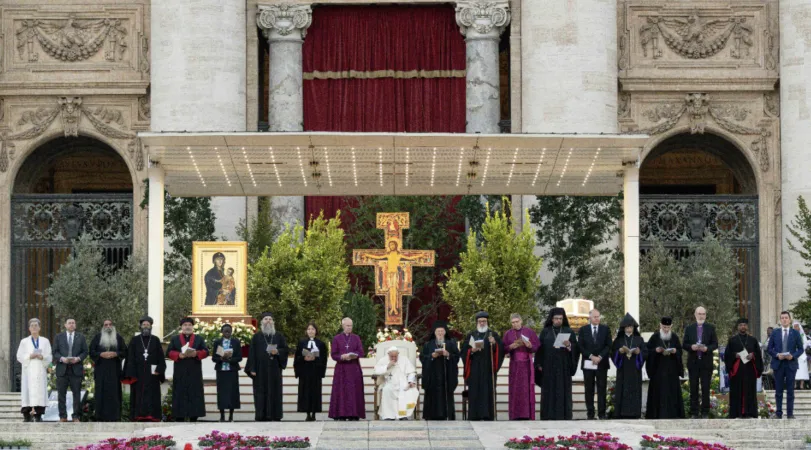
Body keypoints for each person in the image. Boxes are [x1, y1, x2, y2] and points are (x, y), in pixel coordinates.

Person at [536, 307, 579, 420]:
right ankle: (547, 416)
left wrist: (569, 345)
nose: (558, 321)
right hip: (548, 367)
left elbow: (575, 349)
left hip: (563, 368)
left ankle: (564, 415)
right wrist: (539, 364)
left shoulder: (569, 331)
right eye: (556, 318)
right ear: (552, 319)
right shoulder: (545, 332)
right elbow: (539, 350)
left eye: (560, 318)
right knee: (549, 393)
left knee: (563, 392)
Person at [460, 311, 504, 421]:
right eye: (480, 321)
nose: (482, 323)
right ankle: (474, 415)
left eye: (484, 321)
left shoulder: (492, 335)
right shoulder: (471, 334)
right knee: (475, 391)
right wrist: (472, 350)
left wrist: (494, 344)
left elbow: (500, 351)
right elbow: (464, 351)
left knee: (487, 391)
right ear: (477, 322)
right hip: (474, 368)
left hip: (488, 368)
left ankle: (487, 415)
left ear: (487, 322)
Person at [246, 312, 289, 421]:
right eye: (266, 319)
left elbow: (285, 350)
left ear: (273, 322)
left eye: (270, 319)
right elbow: (252, 354)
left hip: (274, 370)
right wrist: (252, 368)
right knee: (261, 393)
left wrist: (278, 351)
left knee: (275, 392)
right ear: (262, 322)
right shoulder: (256, 337)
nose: (268, 321)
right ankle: (261, 415)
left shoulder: (279, 336)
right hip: (260, 371)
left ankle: (275, 415)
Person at [123, 316, 166, 422]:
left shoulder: (155, 340)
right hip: (138, 374)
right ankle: (137, 416)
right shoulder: (134, 340)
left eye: (148, 324)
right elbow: (130, 358)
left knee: (152, 395)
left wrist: (159, 369)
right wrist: (131, 373)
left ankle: (153, 416)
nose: (145, 326)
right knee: (137, 394)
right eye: (144, 325)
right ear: (140, 326)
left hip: (152, 374)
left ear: (151, 326)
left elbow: (161, 357)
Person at [167, 317, 209, 421]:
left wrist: (196, 353)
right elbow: (168, 352)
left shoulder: (199, 339)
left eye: (189, 325)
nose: (187, 327)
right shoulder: (175, 339)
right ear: (181, 327)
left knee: (194, 394)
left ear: (192, 327)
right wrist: (179, 355)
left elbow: (206, 351)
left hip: (194, 372)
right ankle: (179, 417)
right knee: (180, 394)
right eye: (185, 325)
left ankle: (194, 417)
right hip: (180, 372)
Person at [682, 306, 718, 418]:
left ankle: (705, 412)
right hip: (693, 363)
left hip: (706, 363)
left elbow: (715, 344)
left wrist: (707, 348)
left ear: (706, 315)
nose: (701, 316)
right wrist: (691, 347)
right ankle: (694, 412)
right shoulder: (689, 328)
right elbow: (684, 344)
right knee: (693, 388)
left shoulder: (710, 328)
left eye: (703, 314)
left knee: (706, 388)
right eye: (699, 314)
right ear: (695, 315)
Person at [502, 313, 540, 420]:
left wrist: (530, 346)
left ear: (521, 321)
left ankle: (527, 414)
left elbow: (537, 346)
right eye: (513, 322)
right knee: (515, 390)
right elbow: (503, 348)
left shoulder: (529, 332)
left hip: (527, 365)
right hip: (514, 365)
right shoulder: (508, 333)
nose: (515, 324)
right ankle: (515, 414)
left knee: (526, 390)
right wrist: (511, 346)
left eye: (517, 322)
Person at [645, 316, 685, 419]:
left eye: (668, 327)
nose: (666, 330)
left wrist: (676, 351)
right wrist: (655, 351)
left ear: (671, 326)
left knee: (671, 393)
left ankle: (673, 415)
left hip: (671, 372)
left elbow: (680, 351)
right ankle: (656, 415)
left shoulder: (675, 337)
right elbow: (647, 351)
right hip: (658, 372)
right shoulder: (655, 337)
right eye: (664, 327)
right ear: (660, 325)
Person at [724, 318, 764, 418]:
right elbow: (727, 355)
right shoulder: (732, 340)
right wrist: (735, 355)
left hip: (749, 371)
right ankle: (736, 413)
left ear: (747, 327)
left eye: (745, 325)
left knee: (750, 392)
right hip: (737, 372)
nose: (743, 327)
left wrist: (753, 355)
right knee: (736, 392)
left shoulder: (753, 340)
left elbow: (758, 354)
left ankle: (750, 413)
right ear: (738, 327)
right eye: (741, 325)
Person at [768, 311, 805, 419]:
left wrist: (793, 356)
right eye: (782, 318)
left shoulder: (795, 333)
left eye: (786, 318)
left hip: (790, 364)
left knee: (790, 391)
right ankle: (778, 413)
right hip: (778, 364)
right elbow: (769, 349)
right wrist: (776, 355)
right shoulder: (775, 332)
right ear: (780, 320)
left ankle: (790, 414)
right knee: (778, 391)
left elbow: (801, 349)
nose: (784, 319)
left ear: (789, 320)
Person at [89, 319, 127, 422]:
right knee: (101, 392)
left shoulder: (118, 337)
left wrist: (116, 354)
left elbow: (124, 351)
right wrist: (101, 354)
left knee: (114, 393)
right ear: (103, 326)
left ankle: (115, 416)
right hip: (101, 370)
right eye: (106, 325)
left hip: (115, 371)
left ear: (113, 326)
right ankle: (100, 416)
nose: (108, 326)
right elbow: (91, 351)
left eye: (110, 324)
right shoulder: (97, 337)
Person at [577, 308, 612, 420]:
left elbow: (608, 345)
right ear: (590, 318)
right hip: (588, 363)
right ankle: (590, 414)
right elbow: (580, 346)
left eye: (598, 316)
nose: (597, 319)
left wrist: (600, 357)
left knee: (602, 389)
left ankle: (601, 414)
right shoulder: (583, 330)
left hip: (602, 364)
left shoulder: (605, 329)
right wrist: (591, 356)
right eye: (595, 317)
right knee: (589, 389)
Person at [420, 320, 459, 420]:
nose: (440, 333)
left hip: (446, 375)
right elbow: (422, 358)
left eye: (442, 331)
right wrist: (431, 356)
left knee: (446, 394)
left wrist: (448, 355)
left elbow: (457, 357)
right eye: (438, 331)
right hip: (432, 376)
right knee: (432, 395)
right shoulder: (428, 344)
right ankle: (431, 415)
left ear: (445, 332)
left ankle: (447, 415)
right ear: (434, 332)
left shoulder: (451, 343)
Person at [329, 317, 366, 420]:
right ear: (343, 326)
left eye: (351, 326)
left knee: (353, 391)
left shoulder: (356, 338)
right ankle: (341, 414)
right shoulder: (337, 338)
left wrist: (353, 355)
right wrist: (342, 357)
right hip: (341, 369)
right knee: (341, 391)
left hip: (354, 369)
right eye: (347, 326)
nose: (349, 328)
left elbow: (361, 352)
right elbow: (333, 354)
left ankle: (354, 414)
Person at [611, 313, 646, 419]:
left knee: (635, 391)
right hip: (623, 370)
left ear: (633, 327)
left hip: (635, 371)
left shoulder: (639, 340)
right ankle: (621, 413)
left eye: (630, 326)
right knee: (622, 390)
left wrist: (639, 352)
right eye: (627, 327)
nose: (629, 328)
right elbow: (612, 353)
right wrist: (619, 352)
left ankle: (635, 413)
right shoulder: (619, 340)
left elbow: (645, 353)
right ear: (623, 328)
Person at [53, 318, 88, 422]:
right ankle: (63, 416)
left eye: (73, 323)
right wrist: (61, 358)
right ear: (65, 325)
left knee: (76, 394)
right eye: (69, 323)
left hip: (76, 369)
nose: (71, 325)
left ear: (75, 325)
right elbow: (54, 352)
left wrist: (78, 358)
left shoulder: (81, 337)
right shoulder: (58, 337)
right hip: (62, 369)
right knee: (61, 394)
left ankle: (76, 416)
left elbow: (85, 351)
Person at [16, 318, 51, 422]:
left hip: (40, 368)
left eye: (36, 325)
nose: (34, 327)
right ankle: (26, 415)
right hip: (28, 370)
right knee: (27, 392)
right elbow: (19, 356)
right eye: (32, 326)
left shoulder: (45, 341)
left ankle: (39, 414)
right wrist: (29, 356)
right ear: (29, 328)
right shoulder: (24, 341)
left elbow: (49, 355)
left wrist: (42, 357)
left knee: (40, 392)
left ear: (39, 328)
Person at [294, 322, 328, 421]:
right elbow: (297, 357)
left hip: (315, 371)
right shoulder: (302, 343)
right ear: (306, 331)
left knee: (315, 392)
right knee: (305, 392)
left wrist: (315, 359)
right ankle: (307, 413)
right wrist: (304, 358)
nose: (310, 331)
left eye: (312, 329)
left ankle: (314, 413)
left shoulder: (321, 344)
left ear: (316, 331)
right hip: (305, 371)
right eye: (309, 329)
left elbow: (323, 358)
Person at [374, 346, 418, 420]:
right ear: (388, 354)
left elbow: (411, 372)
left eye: (395, 356)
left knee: (408, 391)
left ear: (398, 354)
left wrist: (411, 381)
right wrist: (387, 366)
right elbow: (376, 371)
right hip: (389, 382)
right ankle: (388, 416)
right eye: (392, 356)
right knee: (386, 390)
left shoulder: (404, 359)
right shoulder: (383, 360)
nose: (394, 358)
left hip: (403, 383)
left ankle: (403, 415)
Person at [211, 323, 243, 422]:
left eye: (229, 331)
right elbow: (214, 358)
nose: (227, 333)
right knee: (222, 393)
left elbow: (239, 357)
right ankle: (222, 416)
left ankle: (231, 416)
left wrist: (230, 359)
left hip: (232, 371)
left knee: (232, 393)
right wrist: (221, 358)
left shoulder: (236, 342)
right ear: (222, 332)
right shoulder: (217, 342)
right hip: (221, 371)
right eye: (225, 331)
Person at [792, 321, 809, 390]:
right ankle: (795, 384)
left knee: (802, 369)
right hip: (795, 354)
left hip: (802, 354)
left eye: (797, 326)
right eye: (795, 326)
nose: (796, 327)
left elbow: (805, 344)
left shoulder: (802, 335)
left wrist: (800, 350)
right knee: (794, 369)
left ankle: (802, 385)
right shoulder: (792, 334)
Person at [762, 326, 775, 390]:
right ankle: (769, 387)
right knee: (767, 375)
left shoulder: (774, 339)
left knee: (772, 374)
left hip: (771, 359)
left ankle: (773, 387)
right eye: (768, 331)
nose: (768, 332)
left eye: (770, 331)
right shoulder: (767, 338)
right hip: (767, 359)